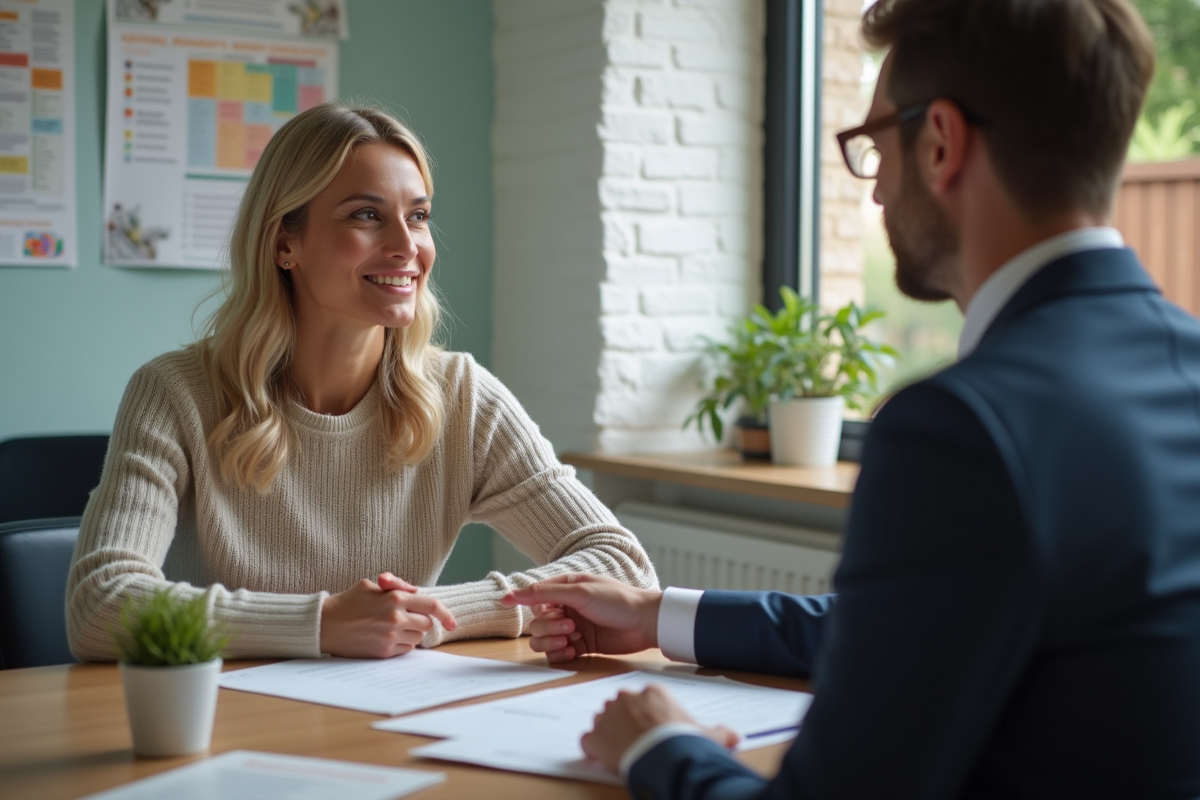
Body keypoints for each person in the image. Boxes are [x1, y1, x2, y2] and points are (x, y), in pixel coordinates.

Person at [502, 0, 1200, 797]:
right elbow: (932, 629)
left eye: (873, 146)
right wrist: (660, 613)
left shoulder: (963, 427)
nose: (873, 195)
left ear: (940, 142)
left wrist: (660, 748)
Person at [67, 102, 657, 662]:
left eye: (418, 216)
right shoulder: (176, 393)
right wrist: (321, 623)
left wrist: (427, 615)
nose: (408, 247)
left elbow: (624, 568)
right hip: (226, 721)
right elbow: (98, 604)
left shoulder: (461, 396)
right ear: (284, 242)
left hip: (388, 717)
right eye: (366, 215)